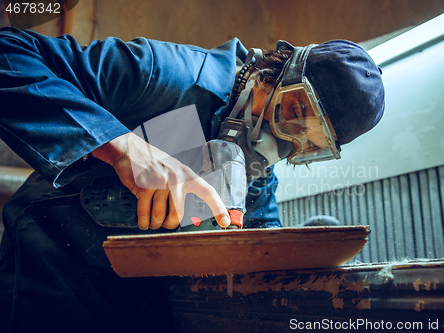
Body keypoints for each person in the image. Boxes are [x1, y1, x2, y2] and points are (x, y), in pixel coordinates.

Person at [0, 26, 384, 332]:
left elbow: (259, 239)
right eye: (295, 113)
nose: (284, 140)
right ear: (275, 72)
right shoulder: (168, 77)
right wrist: (123, 148)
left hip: (144, 295)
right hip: (52, 266)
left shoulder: (256, 172)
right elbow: (9, 52)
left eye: (308, 143)